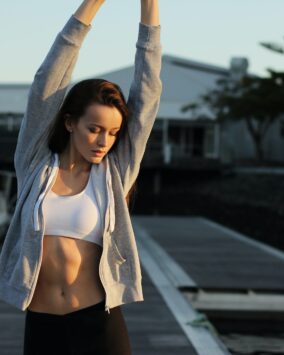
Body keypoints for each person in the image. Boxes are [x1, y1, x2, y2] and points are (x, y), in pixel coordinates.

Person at [0, 0, 162, 354]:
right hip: (42, 326)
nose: (104, 141)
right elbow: (47, 81)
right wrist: (93, 4)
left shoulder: (114, 174)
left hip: (99, 324)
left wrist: (148, 7)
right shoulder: (35, 165)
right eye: (94, 129)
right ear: (70, 122)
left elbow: (148, 94)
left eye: (113, 133)